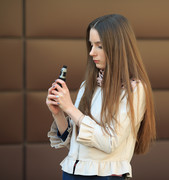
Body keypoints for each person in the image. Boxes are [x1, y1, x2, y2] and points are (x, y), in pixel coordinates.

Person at [46, 14, 156, 180]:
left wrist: (70, 108)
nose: (91, 52)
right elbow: (75, 143)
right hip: (71, 174)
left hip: (105, 176)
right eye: (91, 45)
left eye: (99, 46)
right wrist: (58, 112)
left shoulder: (135, 89)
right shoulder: (88, 85)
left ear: (117, 47)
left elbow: (110, 142)